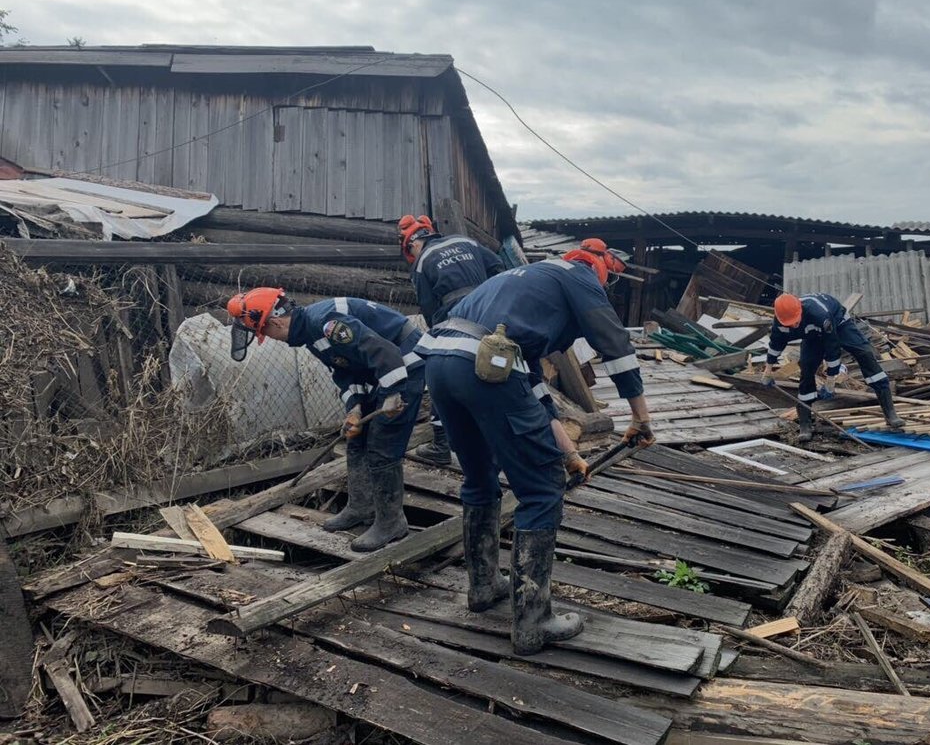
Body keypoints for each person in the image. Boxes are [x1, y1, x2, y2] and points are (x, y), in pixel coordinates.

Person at [414, 238, 654, 655]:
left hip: (441, 360)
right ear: (599, 270)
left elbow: (532, 391)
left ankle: (484, 587)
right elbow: (616, 346)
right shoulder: (579, 277)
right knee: (542, 492)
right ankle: (532, 622)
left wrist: (571, 455)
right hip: (487, 365)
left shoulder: (519, 282)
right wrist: (641, 418)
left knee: (479, 479)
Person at [227, 288, 424, 552]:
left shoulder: (327, 325)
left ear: (275, 322)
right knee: (357, 439)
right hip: (378, 370)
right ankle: (361, 506)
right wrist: (354, 408)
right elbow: (346, 370)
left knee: (382, 444)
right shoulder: (309, 334)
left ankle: (392, 523)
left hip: (404, 364)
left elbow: (385, 354)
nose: (270, 339)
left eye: (266, 333)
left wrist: (392, 395)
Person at [398, 213, 505, 466]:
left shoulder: (422, 263)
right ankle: (501, 445)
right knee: (498, 370)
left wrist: (438, 334)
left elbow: (427, 306)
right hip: (489, 313)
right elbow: (498, 266)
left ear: (412, 244)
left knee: (440, 374)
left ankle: (441, 445)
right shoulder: (466, 241)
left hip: (454, 319)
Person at [762, 292, 905, 441]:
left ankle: (890, 414)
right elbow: (775, 345)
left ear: (800, 310)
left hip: (838, 324)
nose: (793, 325)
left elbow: (832, 346)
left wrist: (831, 380)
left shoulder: (819, 313)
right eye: (789, 323)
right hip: (811, 336)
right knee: (807, 367)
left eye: (795, 321)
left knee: (865, 354)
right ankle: (805, 424)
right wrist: (767, 371)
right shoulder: (780, 322)